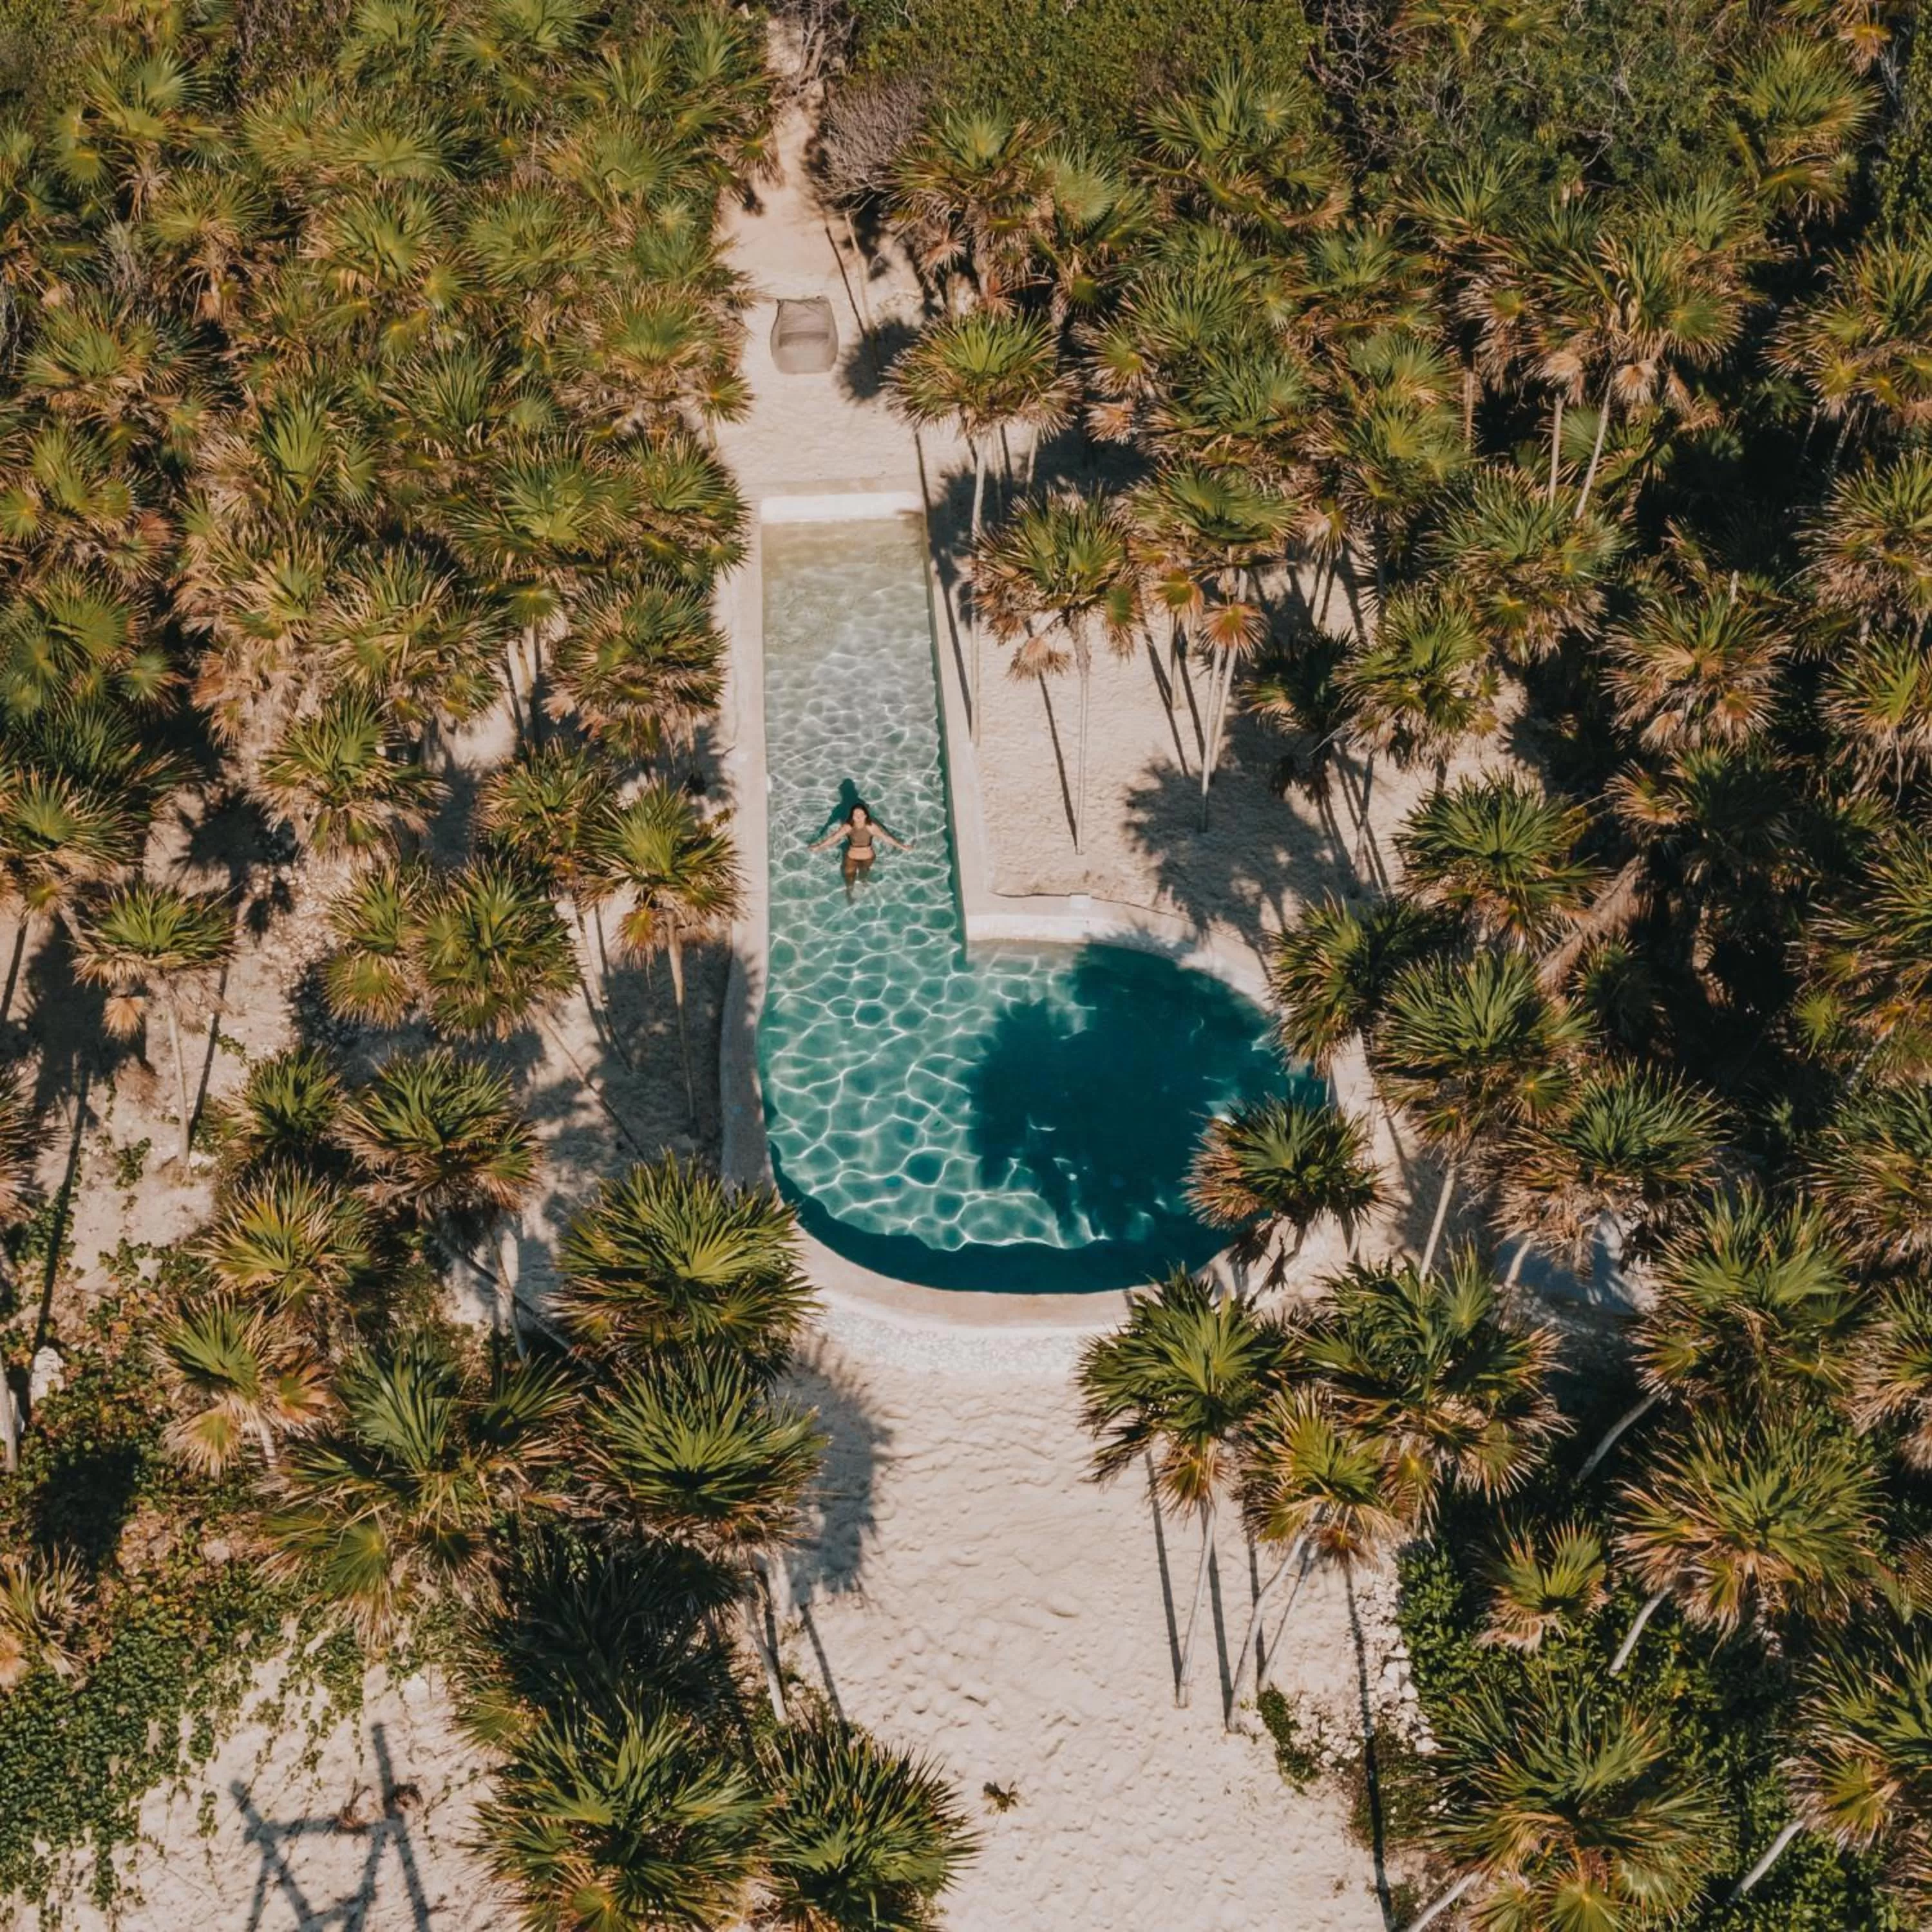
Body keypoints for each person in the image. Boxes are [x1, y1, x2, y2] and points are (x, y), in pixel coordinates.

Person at [810, 801, 911, 900]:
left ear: (865, 816)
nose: (858, 817)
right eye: (855, 815)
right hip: (851, 857)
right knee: (849, 876)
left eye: (861, 815)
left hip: (868, 857)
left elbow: (886, 838)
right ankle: (849, 893)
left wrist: (902, 847)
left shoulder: (871, 827)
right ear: (852, 816)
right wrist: (818, 847)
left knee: (863, 873)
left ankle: (863, 881)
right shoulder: (848, 827)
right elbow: (834, 838)